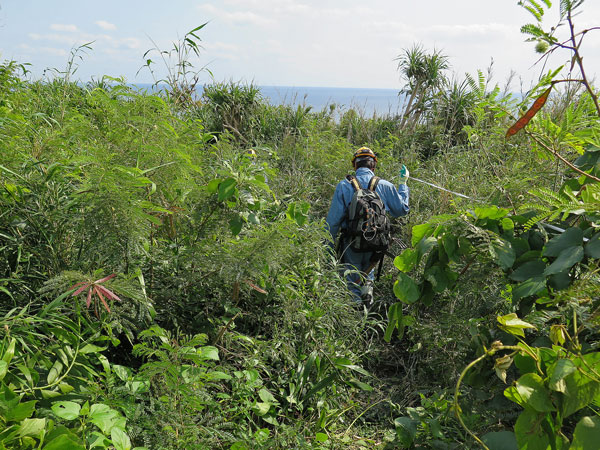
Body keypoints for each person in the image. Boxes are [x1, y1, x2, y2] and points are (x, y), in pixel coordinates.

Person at [326, 147, 410, 304]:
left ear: (355, 166)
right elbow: (402, 210)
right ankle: (366, 316)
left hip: (351, 245)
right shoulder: (385, 186)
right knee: (367, 283)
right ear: (373, 166)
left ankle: (352, 320)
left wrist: (327, 252)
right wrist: (403, 183)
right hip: (376, 245)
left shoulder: (344, 186)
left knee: (351, 285)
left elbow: (332, 223)